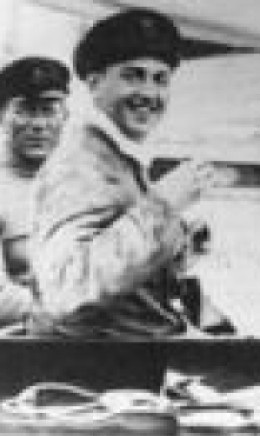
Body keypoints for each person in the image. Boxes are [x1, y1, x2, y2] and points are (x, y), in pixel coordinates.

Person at [31, 8, 231, 338]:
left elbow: (124, 277)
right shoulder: (76, 165)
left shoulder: (113, 155)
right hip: (102, 359)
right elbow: (66, 288)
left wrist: (179, 239)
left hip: (133, 346)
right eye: (133, 76)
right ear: (94, 84)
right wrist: (162, 206)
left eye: (160, 79)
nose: (149, 93)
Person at [0, 56, 69, 325]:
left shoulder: (90, 184)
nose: (38, 124)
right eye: (26, 110)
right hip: (21, 342)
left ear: (65, 117)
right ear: (2, 115)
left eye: (48, 110)